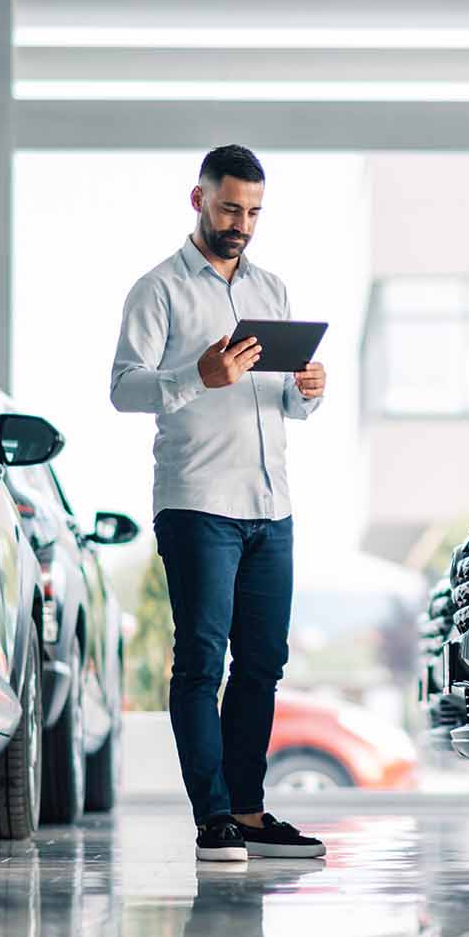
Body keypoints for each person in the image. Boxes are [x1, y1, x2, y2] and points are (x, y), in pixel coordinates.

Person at [109, 145, 329, 862]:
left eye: (255, 211)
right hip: (199, 502)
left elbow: (283, 405)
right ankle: (212, 819)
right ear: (198, 200)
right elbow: (123, 387)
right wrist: (194, 375)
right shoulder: (159, 290)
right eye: (231, 207)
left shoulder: (273, 290)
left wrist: (307, 395)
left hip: (272, 504)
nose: (242, 223)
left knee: (262, 662)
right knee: (201, 661)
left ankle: (250, 811)